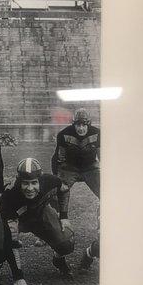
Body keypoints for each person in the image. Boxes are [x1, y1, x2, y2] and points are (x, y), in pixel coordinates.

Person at [0, 158, 75, 285]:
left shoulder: (50, 181)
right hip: (14, 217)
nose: (30, 188)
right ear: (18, 181)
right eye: (25, 183)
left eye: (34, 183)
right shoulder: (9, 196)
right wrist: (18, 278)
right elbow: (11, 240)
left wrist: (64, 216)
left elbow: (64, 190)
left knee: (66, 243)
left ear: (40, 180)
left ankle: (58, 259)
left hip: (39, 211)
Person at [51, 108, 100, 269]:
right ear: (74, 124)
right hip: (69, 167)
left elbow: (104, 155)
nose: (81, 128)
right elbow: (58, 159)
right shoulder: (64, 134)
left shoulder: (97, 133)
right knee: (61, 190)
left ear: (88, 124)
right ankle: (61, 218)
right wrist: (59, 181)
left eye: (84, 124)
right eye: (78, 125)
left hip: (90, 167)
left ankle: (103, 228)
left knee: (109, 194)